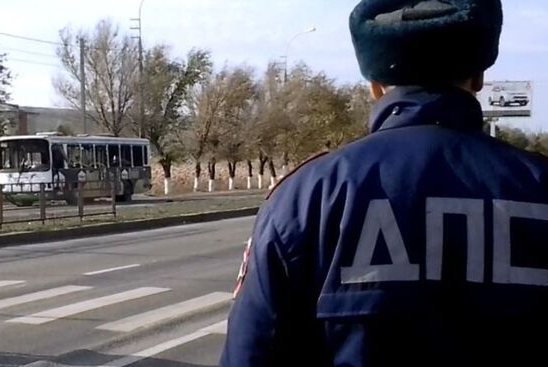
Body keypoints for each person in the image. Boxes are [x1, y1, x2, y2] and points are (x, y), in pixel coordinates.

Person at [220, 1, 547, 366]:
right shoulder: (539, 184)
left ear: (375, 86)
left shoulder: (306, 195)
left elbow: (251, 353)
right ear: (478, 78)